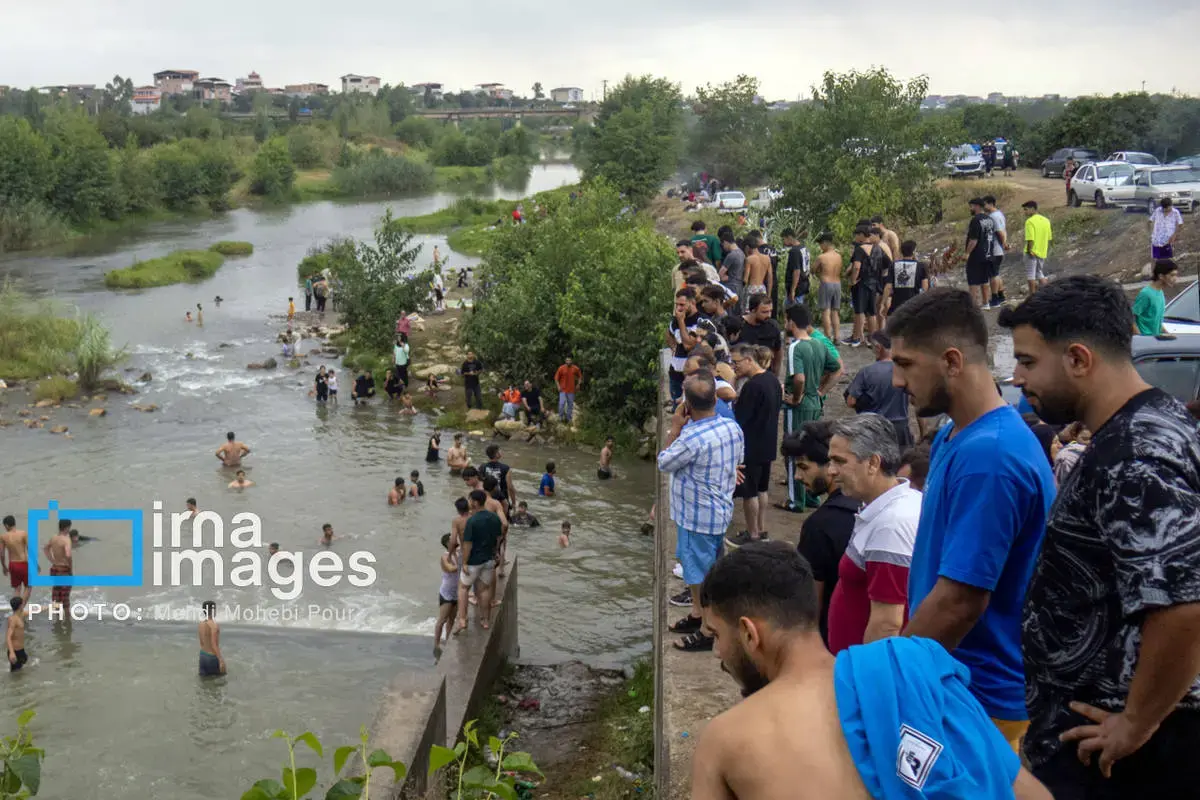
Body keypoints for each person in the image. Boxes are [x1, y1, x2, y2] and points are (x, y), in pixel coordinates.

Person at [999, 275, 1200, 796]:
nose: (1018, 378)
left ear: (1078, 359)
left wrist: (1135, 722)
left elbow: (1183, 605)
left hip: (1123, 752)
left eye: (1027, 361)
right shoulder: (1152, 422)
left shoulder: (1133, 455)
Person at [691, 542, 1054, 800]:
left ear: (749, 633)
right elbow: (1030, 793)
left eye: (716, 634)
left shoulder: (726, 739)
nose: (718, 652)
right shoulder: (910, 671)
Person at [888, 287, 1056, 753]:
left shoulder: (991, 456)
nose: (897, 380)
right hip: (950, 679)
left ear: (952, 361)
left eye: (905, 364)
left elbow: (959, 602)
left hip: (978, 697)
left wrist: (888, 679)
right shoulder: (954, 436)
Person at [659, 370, 744, 651]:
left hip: (696, 516)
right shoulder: (732, 428)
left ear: (687, 405)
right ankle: (698, 614)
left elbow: (664, 462)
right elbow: (737, 461)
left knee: (697, 574)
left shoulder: (690, 438)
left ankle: (708, 630)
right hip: (720, 511)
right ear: (714, 399)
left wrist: (674, 428)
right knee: (710, 568)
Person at [824, 414, 921, 653]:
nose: (831, 471)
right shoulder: (894, 505)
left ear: (873, 463)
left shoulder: (891, 526)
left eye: (839, 461)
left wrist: (864, 673)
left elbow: (887, 625)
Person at [783, 424, 858, 646]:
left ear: (831, 465)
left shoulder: (818, 526)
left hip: (831, 640)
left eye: (803, 467)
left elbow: (811, 602)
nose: (797, 476)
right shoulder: (868, 505)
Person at [781, 304, 840, 511]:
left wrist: (796, 398)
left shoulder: (795, 347)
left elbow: (799, 378)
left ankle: (795, 501)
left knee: (794, 449)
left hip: (800, 406)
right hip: (815, 403)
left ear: (791, 322)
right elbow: (836, 368)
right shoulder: (819, 343)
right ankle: (812, 495)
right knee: (812, 448)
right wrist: (821, 391)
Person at [727, 344, 782, 547]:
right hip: (768, 442)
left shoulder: (752, 386)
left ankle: (752, 535)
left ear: (749, 360)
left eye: (737, 362)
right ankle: (761, 528)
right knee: (762, 489)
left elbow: (740, 418)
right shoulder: (773, 380)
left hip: (751, 446)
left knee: (749, 492)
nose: (734, 367)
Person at [844, 331, 912, 447]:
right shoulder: (905, 370)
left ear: (879, 348)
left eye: (872, 347)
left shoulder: (866, 372)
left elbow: (851, 402)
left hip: (874, 428)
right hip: (900, 428)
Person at [455, 490, 502, 633]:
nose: (469, 502)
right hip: (488, 559)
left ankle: (463, 620)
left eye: (470, 500)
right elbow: (498, 537)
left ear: (475, 502)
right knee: (485, 590)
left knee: (463, 588)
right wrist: (496, 552)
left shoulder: (472, 521)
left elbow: (467, 544)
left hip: (473, 561)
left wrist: (464, 562)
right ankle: (485, 620)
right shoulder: (494, 518)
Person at [848, 225, 883, 346]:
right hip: (874, 283)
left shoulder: (860, 249)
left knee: (859, 311)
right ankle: (873, 338)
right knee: (871, 312)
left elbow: (856, 267)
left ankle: (857, 338)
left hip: (862, 283)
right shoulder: (878, 249)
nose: (855, 237)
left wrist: (853, 280)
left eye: (856, 235)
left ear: (862, 235)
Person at [880, 239, 928, 320]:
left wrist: (882, 303)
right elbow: (924, 287)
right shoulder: (921, 266)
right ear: (914, 252)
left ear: (901, 252)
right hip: (914, 305)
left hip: (896, 305)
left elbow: (888, 287)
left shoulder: (893, 265)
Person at [1132, 259, 1179, 336]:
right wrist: (1140, 337)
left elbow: (1156, 321)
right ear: (1161, 276)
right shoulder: (1146, 294)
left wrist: (1168, 334)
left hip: (1155, 340)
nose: (1175, 279)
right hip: (1145, 341)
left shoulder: (1160, 292)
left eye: (1176, 275)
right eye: (1172, 275)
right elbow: (1131, 317)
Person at [964, 198, 997, 308]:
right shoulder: (990, 219)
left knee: (973, 281)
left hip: (976, 255)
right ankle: (986, 302)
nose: (970, 209)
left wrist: (967, 253)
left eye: (971, 206)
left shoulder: (976, 220)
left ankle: (973, 306)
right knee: (984, 279)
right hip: (988, 254)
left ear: (977, 206)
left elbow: (973, 240)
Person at [739, 295, 782, 375]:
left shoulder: (772, 326)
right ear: (753, 310)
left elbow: (778, 351)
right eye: (764, 312)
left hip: (765, 374)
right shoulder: (739, 326)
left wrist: (775, 373)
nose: (769, 315)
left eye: (770, 311)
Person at [814, 233, 844, 343]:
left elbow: (813, 269)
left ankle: (827, 336)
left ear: (826, 243)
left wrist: (819, 272)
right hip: (837, 284)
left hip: (826, 283)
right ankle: (837, 337)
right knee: (835, 311)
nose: (820, 247)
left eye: (821, 244)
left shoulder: (822, 257)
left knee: (825, 311)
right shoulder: (838, 256)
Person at [983, 195, 1010, 308]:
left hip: (994, 249)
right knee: (996, 273)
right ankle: (1001, 296)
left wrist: (1003, 243)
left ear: (990, 204)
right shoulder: (999, 214)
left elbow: (999, 232)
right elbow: (1003, 231)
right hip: (997, 249)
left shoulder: (993, 217)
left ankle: (995, 299)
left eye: (984, 204)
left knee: (993, 275)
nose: (983, 207)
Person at [1022, 200, 1053, 296]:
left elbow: (1030, 238)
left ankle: (1032, 296)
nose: (1024, 212)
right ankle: (1048, 293)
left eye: (1026, 209)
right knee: (1039, 273)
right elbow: (1049, 238)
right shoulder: (1046, 220)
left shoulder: (1029, 221)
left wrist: (1029, 250)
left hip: (1031, 252)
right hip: (1042, 251)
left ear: (1032, 209)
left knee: (1030, 275)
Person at [434, 533, 459, 648]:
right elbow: (451, 569)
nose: (456, 540)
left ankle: (448, 641)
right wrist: (462, 564)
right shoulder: (445, 556)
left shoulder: (458, 554)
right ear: (448, 543)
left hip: (456, 593)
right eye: (452, 539)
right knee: (442, 620)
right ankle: (436, 644)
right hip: (446, 594)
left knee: (451, 620)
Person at [45, 519, 72, 611]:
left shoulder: (53, 538)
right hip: (64, 570)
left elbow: (45, 549)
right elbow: (68, 555)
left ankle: (58, 617)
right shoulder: (66, 539)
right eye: (69, 527)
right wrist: (70, 568)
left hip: (54, 569)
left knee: (56, 596)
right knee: (65, 598)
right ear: (67, 527)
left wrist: (52, 560)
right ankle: (67, 618)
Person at [479, 444, 516, 511]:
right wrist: (513, 503)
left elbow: (480, 485)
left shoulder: (482, 467)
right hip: (502, 501)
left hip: (486, 500)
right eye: (499, 450)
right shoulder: (505, 468)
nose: (501, 452)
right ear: (497, 454)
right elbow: (510, 487)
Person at [781, 228, 810, 310]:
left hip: (797, 288)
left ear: (789, 237)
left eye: (784, 239)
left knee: (793, 312)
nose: (783, 242)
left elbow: (796, 271)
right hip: (803, 284)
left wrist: (793, 290)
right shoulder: (803, 248)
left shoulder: (794, 251)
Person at [1, 516, 29, 593]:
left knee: (17, 589)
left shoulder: (3, 536)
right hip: (23, 563)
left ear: (6, 525)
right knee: (28, 587)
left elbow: (2, 554)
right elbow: (29, 549)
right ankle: (23, 601)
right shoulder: (23, 533)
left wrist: (4, 566)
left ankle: (17, 601)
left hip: (13, 564)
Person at [719, 233, 746, 309]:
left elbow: (721, 273)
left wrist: (727, 278)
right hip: (740, 287)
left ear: (725, 242)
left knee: (729, 310)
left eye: (723, 245)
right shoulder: (742, 254)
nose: (723, 247)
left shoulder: (731, 255)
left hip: (731, 287)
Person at [198, 600, 226, 677]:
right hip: (211, 657)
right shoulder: (214, 626)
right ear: (212, 610)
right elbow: (214, 645)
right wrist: (220, 660)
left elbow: (201, 643)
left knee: (204, 680)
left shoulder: (201, 624)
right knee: (220, 679)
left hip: (203, 655)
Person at [7, 587, 31, 672]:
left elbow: (35, 610)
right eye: (22, 603)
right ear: (20, 606)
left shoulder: (21, 614)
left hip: (21, 650)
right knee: (15, 675)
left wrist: (50, 607)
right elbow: (8, 637)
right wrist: (12, 653)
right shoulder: (13, 620)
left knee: (23, 669)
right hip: (15, 651)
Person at [553, 357, 582, 423]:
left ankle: (569, 419)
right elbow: (556, 378)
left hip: (571, 390)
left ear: (572, 361)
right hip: (562, 389)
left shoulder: (575, 368)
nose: (568, 361)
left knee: (570, 405)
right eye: (567, 360)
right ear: (565, 361)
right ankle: (560, 417)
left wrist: (578, 384)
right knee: (561, 403)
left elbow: (580, 376)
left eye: (569, 360)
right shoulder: (561, 368)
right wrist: (558, 386)